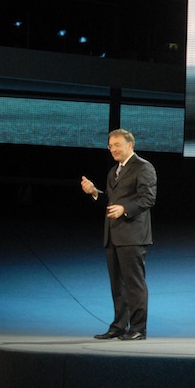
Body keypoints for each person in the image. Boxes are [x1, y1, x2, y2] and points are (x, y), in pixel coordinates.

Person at [80, 129, 157, 340]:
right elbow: (111, 202)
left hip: (133, 235)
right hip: (113, 235)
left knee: (134, 283)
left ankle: (138, 329)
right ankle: (119, 326)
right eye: (110, 146)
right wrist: (94, 192)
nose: (113, 149)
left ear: (130, 145)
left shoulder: (143, 167)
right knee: (117, 285)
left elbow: (148, 198)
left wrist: (125, 209)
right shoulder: (114, 171)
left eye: (117, 145)